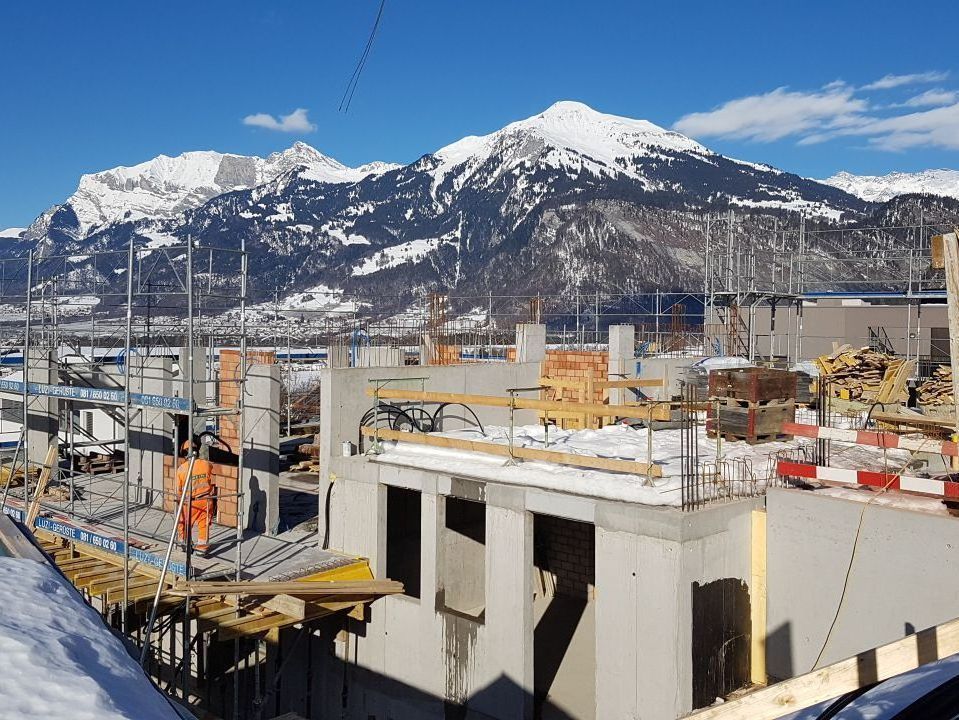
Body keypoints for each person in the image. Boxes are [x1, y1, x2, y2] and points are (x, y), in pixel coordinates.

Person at [175, 439, 215, 556]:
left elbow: (178, 490)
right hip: (205, 500)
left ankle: (185, 543)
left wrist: (178, 502)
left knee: (184, 522)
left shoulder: (181, 469)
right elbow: (212, 479)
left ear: (184, 453)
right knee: (204, 524)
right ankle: (201, 548)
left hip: (189, 502)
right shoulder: (207, 464)